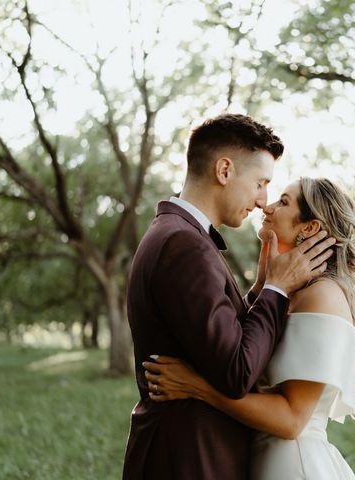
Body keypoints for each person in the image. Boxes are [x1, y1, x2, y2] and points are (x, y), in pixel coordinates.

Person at [121, 114, 336, 480]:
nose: (262, 201)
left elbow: (213, 339)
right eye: (261, 183)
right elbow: (236, 370)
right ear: (224, 170)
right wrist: (276, 290)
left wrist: (260, 289)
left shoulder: (179, 235)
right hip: (189, 457)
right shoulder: (184, 244)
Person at [143, 177, 355, 479]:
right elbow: (243, 348)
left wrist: (197, 387)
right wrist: (264, 286)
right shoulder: (290, 291)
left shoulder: (322, 296)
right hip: (262, 459)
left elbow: (292, 421)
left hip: (292, 464)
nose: (267, 206)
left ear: (309, 228)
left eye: (283, 202)